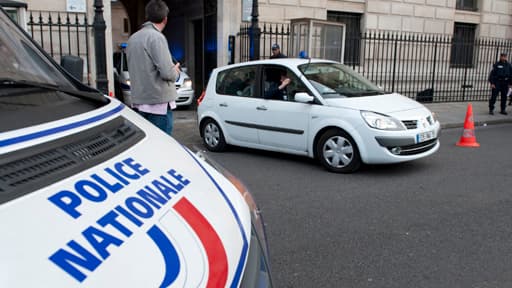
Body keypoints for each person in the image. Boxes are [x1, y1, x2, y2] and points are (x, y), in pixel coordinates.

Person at [126, 0, 180, 135]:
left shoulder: (132, 39)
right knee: (163, 147)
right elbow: (168, 74)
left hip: (139, 102)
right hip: (158, 105)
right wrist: (176, 71)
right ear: (165, 19)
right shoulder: (156, 37)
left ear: (147, 16)